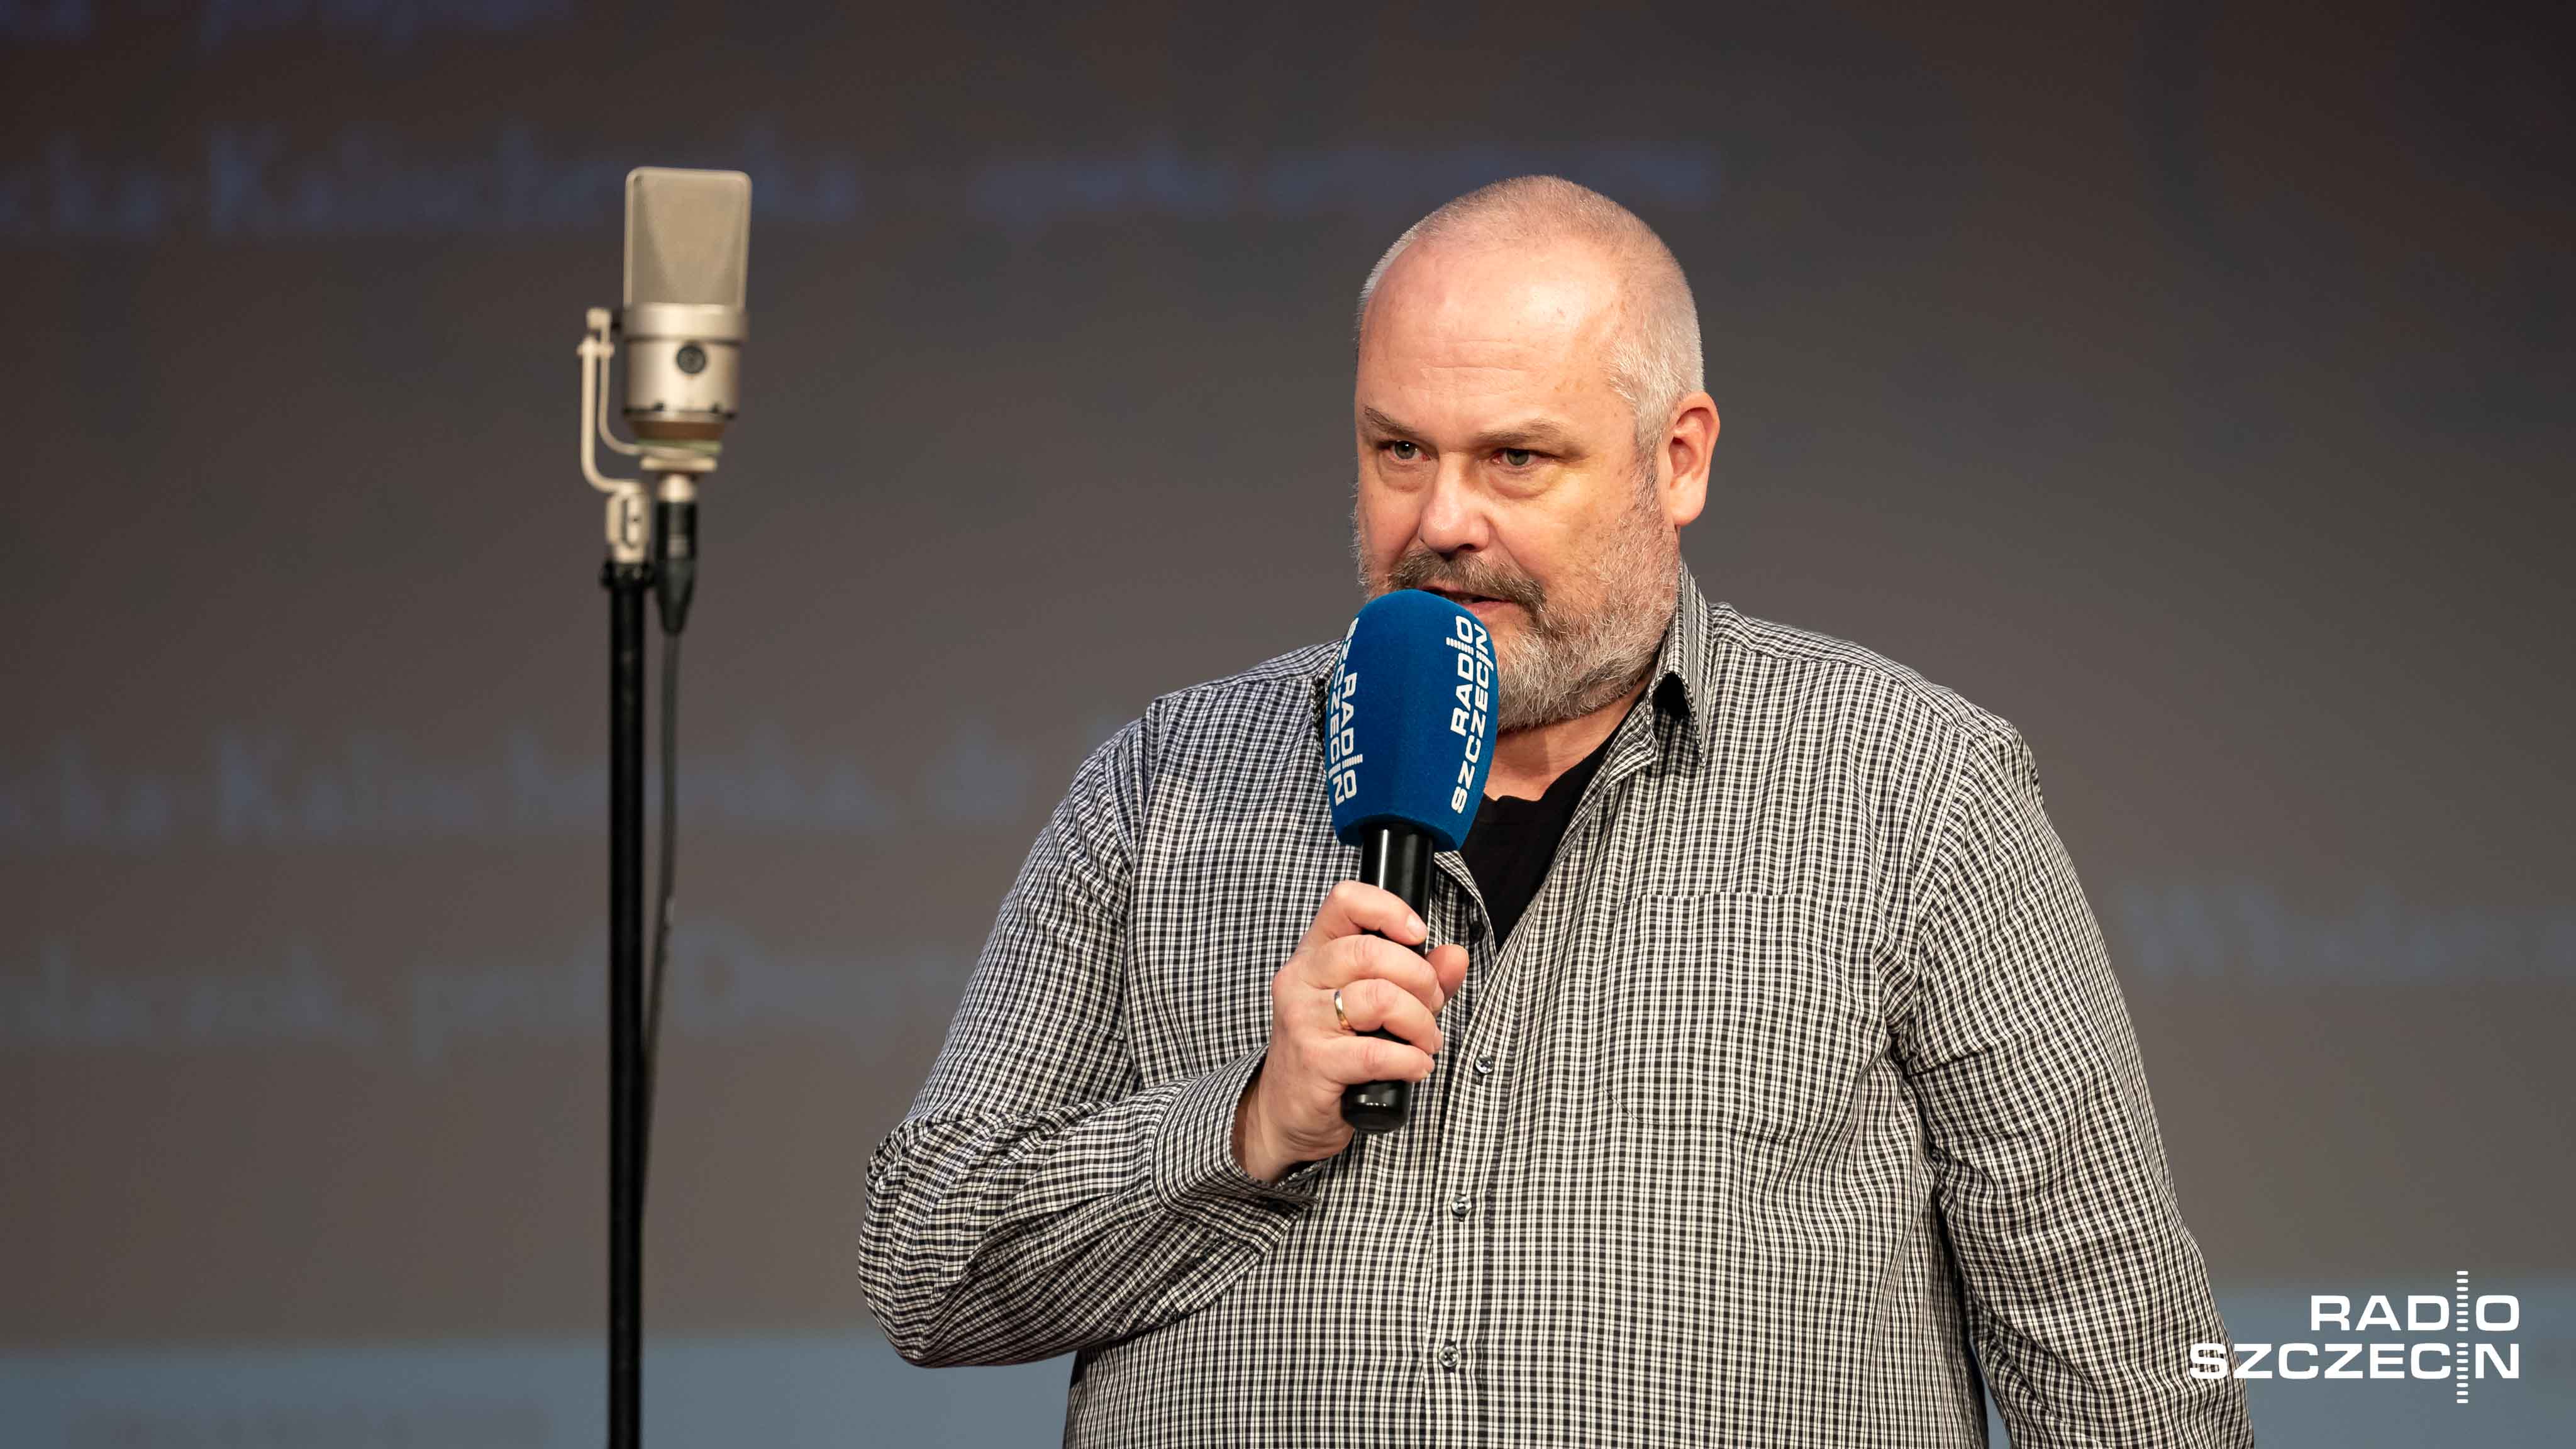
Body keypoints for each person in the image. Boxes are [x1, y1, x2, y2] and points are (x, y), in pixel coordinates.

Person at [860, 175, 2253, 1446]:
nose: (1440, 521)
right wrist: (1247, 1125)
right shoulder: (1168, 780)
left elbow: (2118, 1360)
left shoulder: (1915, 788)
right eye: (1398, 450)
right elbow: (926, 1263)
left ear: (1678, 458)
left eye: (1516, 459)